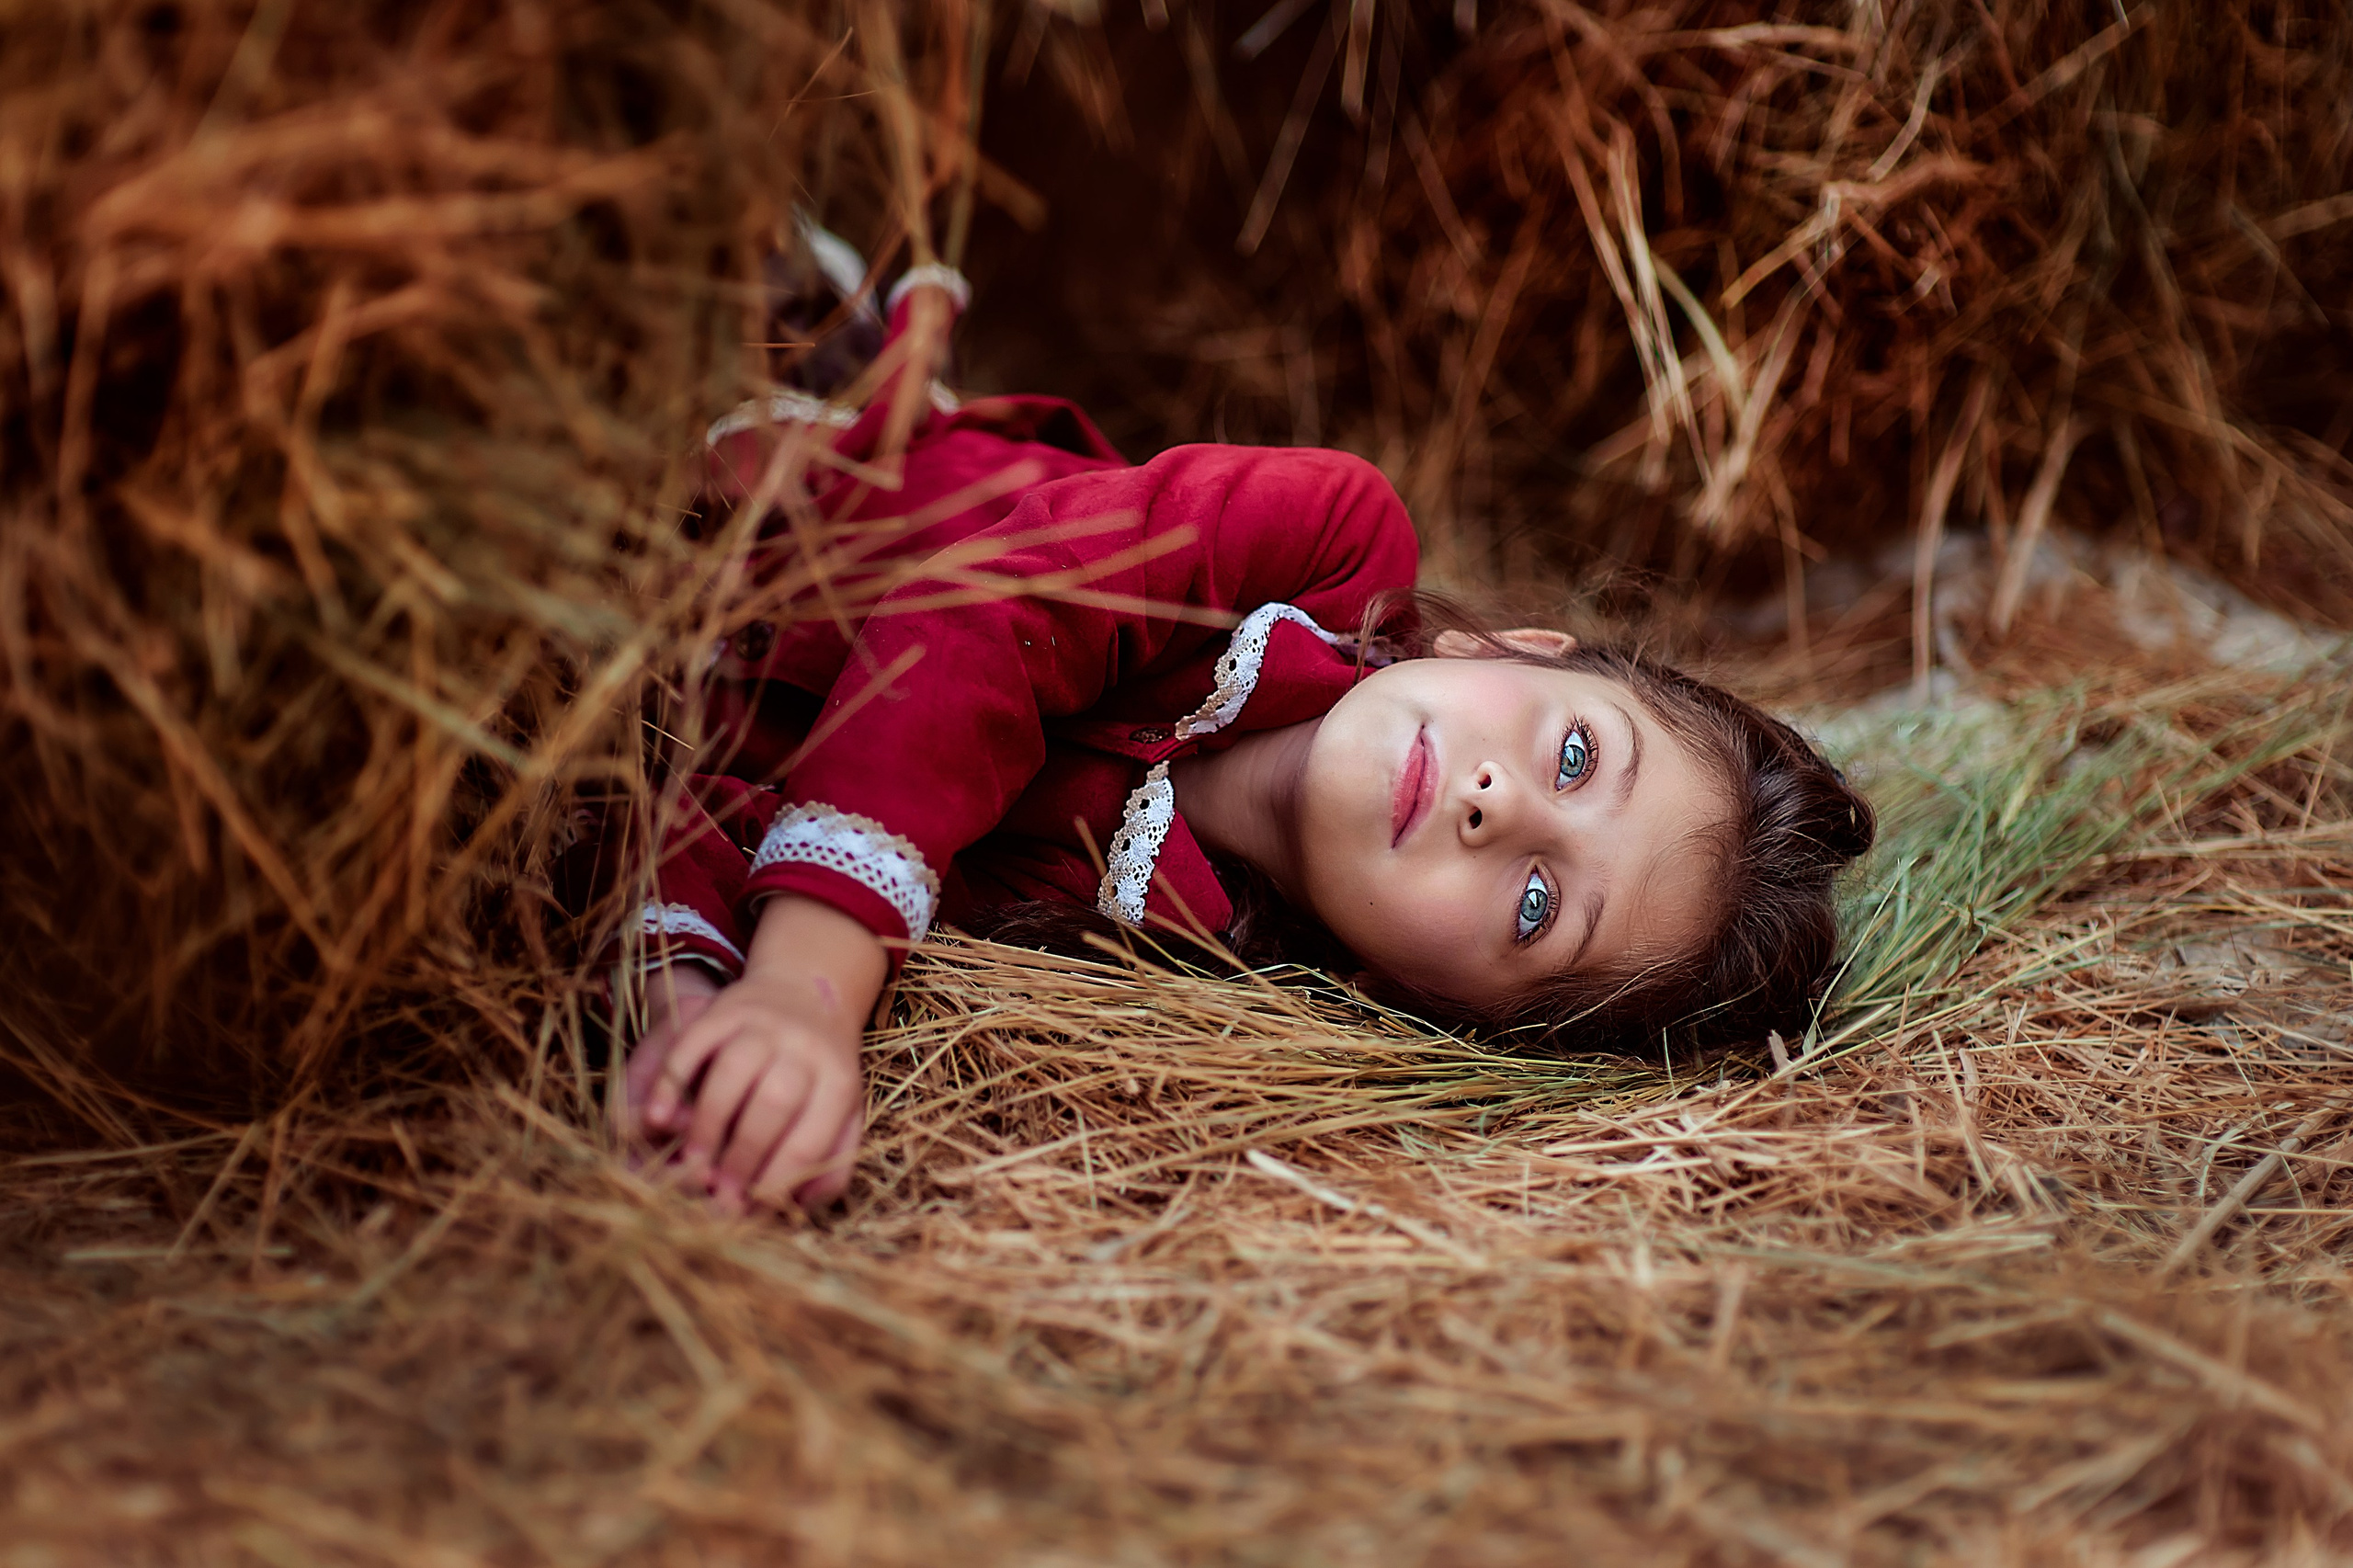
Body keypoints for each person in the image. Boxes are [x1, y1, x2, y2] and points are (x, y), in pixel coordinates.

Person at [580, 260, 1873, 1214]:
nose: (1498, 804)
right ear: (1517, 649)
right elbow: (984, 614)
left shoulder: (1166, 955)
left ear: (1436, 1004)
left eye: (1539, 903)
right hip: (786, 462)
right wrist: (805, 994)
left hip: (645, 660)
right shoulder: (1317, 544)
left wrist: (699, 1027)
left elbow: (731, 801)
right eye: (1577, 757)